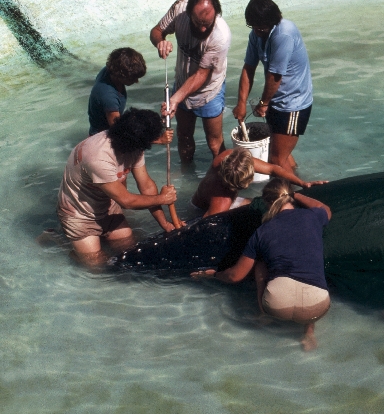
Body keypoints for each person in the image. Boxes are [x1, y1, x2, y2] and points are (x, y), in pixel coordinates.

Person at [192, 178, 332, 351]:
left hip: (276, 305)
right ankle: (309, 331)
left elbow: (236, 276)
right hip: (316, 306)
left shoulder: (262, 231)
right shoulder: (312, 216)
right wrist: (296, 194)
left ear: (268, 202)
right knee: (308, 266)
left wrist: (212, 274)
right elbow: (326, 209)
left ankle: (263, 314)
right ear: (290, 198)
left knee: (260, 262)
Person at [57, 108, 177, 267]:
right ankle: (60, 241)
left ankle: (83, 242)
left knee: (129, 251)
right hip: (79, 214)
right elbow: (126, 201)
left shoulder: (134, 143)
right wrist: (163, 198)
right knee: (97, 267)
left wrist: (165, 223)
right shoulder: (98, 157)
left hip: (108, 206)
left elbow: (146, 186)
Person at [233, 0, 314, 175]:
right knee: (282, 155)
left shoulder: (284, 33)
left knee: (276, 160)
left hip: (293, 104)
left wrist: (263, 103)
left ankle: (293, 196)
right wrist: (241, 102)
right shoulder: (256, 35)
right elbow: (249, 68)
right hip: (275, 101)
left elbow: (275, 76)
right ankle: (298, 182)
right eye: (252, 25)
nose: (256, 30)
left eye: (260, 26)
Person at [150, 0, 231, 163]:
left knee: (214, 143)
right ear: (188, 14)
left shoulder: (221, 36)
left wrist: (174, 99)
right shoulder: (179, 10)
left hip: (210, 90)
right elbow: (157, 30)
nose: (202, 28)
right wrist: (160, 42)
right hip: (181, 83)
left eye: (207, 24)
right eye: (198, 22)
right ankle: (187, 172)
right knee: (184, 136)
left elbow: (201, 75)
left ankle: (223, 182)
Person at [190, 148, 328, 217]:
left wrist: (302, 183)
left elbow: (273, 169)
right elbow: (207, 224)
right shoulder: (222, 201)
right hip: (204, 210)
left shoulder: (231, 159)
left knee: (262, 202)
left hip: (216, 199)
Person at [87, 47, 146, 135]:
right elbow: (119, 132)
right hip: (102, 138)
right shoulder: (108, 96)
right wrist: (157, 140)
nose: (136, 81)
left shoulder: (109, 70)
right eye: (133, 78)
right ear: (119, 75)